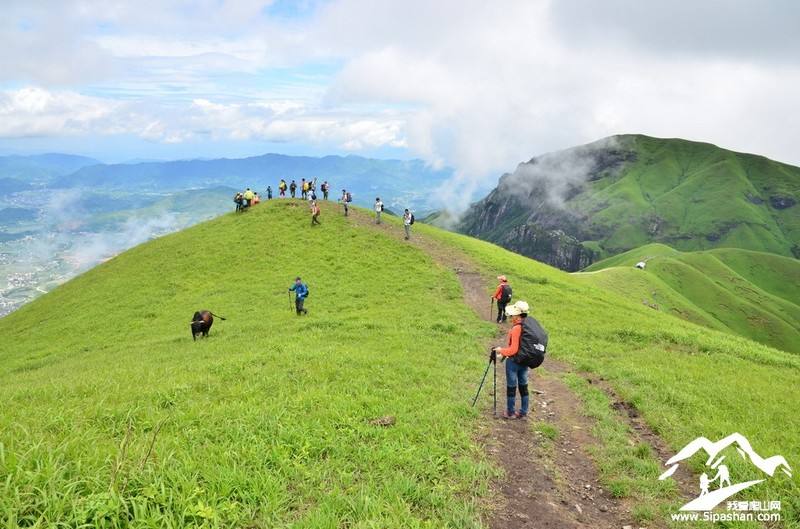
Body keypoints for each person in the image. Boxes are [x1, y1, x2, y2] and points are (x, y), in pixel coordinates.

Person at [491, 300, 548, 420]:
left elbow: (513, 350)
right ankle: (523, 412)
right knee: (523, 386)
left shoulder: (517, 328)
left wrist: (500, 350)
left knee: (511, 387)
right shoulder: (528, 326)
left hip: (513, 362)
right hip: (524, 361)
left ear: (517, 316)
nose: (511, 317)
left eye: (513, 315)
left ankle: (510, 412)